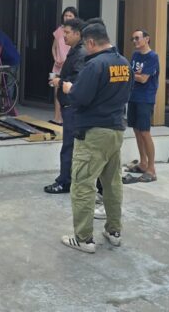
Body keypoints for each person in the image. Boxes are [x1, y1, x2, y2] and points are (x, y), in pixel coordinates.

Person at [59, 22, 133, 254]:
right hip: (116, 130)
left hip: (94, 133)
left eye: (86, 45)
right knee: (112, 183)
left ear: (91, 42)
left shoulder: (95, 65)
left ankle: (83, 238)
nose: (85, 49)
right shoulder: (124, 63)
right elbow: (126, 93)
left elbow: (80, 97)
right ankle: (114, 231)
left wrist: (69, 88)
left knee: (82, 183)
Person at [46, 17, 86, 194]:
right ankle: (66, 178)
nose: (64, 37)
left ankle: (65, 181)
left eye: (67, 33)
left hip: (72, 106)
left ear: (77, 34)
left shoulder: (80, 53)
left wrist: (60, 81)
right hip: (68, 104)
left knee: (69, 146)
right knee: (69, 145)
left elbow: (78, 79)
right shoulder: (74, 51)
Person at [123, 29, 159, 183]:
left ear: (147, 39)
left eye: (137, 38)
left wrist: (129, 74)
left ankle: (151, 169)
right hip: (133, 96)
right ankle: (143, 163)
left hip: (146, 98)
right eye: (133, 39)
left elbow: (143, 78)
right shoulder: (135, 55)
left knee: (145, 132)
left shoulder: (152, 57)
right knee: (137, 131)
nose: (135, 41)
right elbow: (133, 74)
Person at [52, 6, 78, 123]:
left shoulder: (76, 33)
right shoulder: (59, 30)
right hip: (57, 65)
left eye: (70, 16)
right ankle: (57, 118)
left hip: (68, 66)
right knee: (56, 91)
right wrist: (55, 58)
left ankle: (64, 118)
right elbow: (54, 47)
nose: (67, 17)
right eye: (66, 15)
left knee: (67, 91)